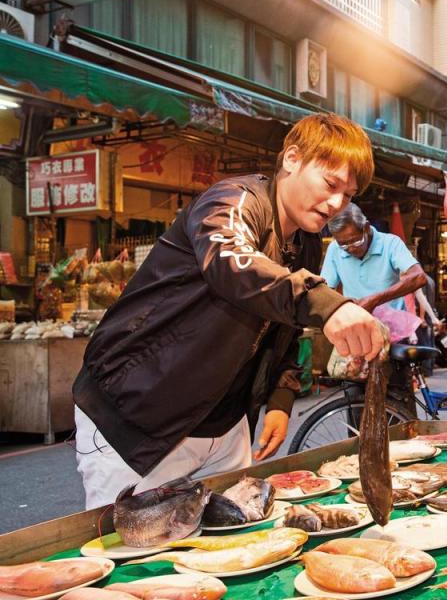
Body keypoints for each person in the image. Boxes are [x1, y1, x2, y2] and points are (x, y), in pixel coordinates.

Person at [72, 113, 385, 509]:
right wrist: (327, 304)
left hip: (225, 425)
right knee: (140, 560)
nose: (338, 202)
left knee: (227, 551)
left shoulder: (304, 240)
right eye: (330, 183)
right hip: (141, 419)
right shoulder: (233, 200)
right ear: (292, 158)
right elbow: (232, 264)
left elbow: (283, 329)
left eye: (349, 194)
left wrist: (280, 399)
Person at [320, 203, 427, 313]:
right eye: (343, 244)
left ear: (366, 227)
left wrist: (375, 300)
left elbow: (419, 277)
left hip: (394, 325)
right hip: (357, 323)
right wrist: (342, 302)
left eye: (356, 241)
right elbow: (326, 290)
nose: (351, 249)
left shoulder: (390, 243)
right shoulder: (334, 248)